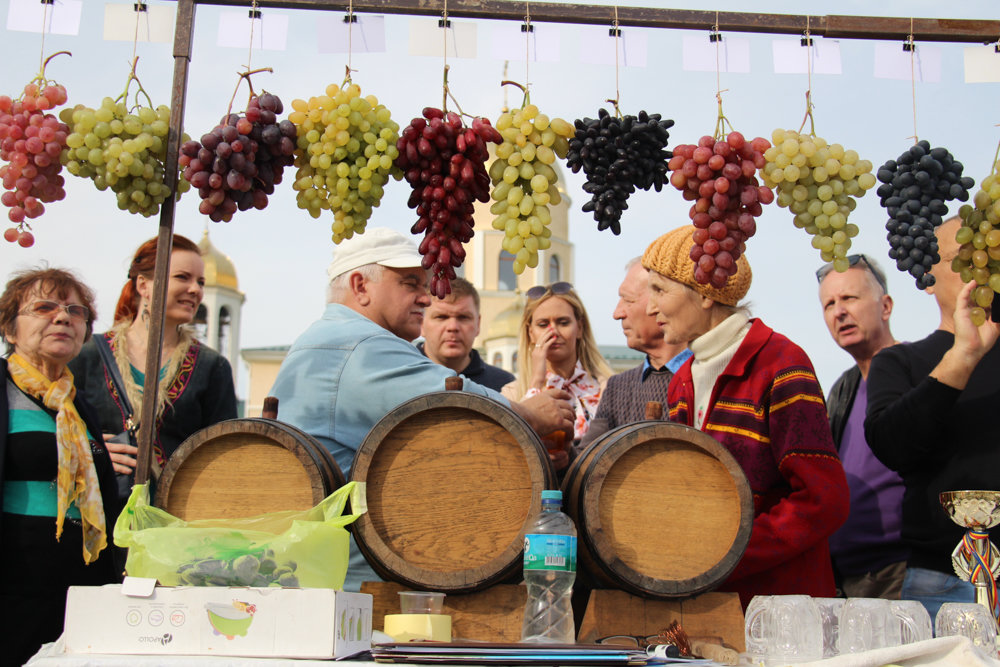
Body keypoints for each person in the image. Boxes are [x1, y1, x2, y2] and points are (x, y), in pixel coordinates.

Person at [269, 227, 575, 592]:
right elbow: (459, 403)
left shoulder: (323, 338)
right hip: (355, 582)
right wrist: (532, 414)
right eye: (410, 283)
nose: (426, 298)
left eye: (426, 285)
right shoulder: (360, 345)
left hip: (327, 573)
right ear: (360, 286)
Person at [643, 225, 849, 609]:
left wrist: (725, 554)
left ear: (705, 292)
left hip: (784, 609)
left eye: (659, 289)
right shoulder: (682, 381)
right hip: (711, 607)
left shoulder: (782, 365)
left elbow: (823, 499)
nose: (649, 307)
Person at [865, 215, 1000, 622]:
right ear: (927, 276)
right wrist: (963, 357)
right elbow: (892, 444)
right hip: (942, 581)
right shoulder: (899, 362)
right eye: (964, 258)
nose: (977, 271)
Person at [0, 267, 121, 666]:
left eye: (75, 310)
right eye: (44, 307)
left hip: (76, 593)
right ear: (10, 328)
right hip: (13, 590)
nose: (63, 317)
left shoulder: (77, 406)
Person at [69, 234, 238, 488]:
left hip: (175, 507)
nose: (195, 289)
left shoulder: (212, 367)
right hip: (97, 502)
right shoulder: (87, 354)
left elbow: (224, 453)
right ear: (143, 285)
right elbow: (54, 428)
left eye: (200, 282)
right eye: (183, 277)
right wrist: (92, 450)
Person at [817, 254, 908, 599]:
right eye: (829, 304)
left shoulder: (921, 372)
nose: (839, 312)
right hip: (847, 578)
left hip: (903, 571)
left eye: (849, 298)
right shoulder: (842, 388)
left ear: (886, 306)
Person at [576, 258, 691, 453]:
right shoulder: (617, 388)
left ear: (665, 302)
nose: (617, 313)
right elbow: (586, 459)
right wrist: (560, 454)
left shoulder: (709, 380)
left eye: (628, 300)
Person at [501, 281, 613, 471]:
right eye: (543, 324)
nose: (553, 332)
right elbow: (509, 452)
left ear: (580, 327)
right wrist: (536, 382)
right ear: (531, 333)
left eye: (563, 323)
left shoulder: (608, 387)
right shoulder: (511, 393)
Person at [418, 277, 514, 392]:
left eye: (463, 317)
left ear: (478, 324)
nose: (453, 327)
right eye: (441, 317)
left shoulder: (504, 386)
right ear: (421, 323)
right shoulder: (402, 378)